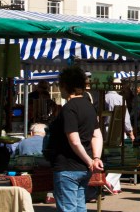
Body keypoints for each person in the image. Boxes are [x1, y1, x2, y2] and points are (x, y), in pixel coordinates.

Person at [46, 66, 103, 212]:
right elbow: (97, 135)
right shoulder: (89, 107)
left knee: (68, 208)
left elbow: (74, 140)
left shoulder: (69, 108)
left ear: (65, 86)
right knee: (79, 207)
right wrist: (95, 158)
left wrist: (90, 161)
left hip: (68, 166)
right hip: (84, 169)